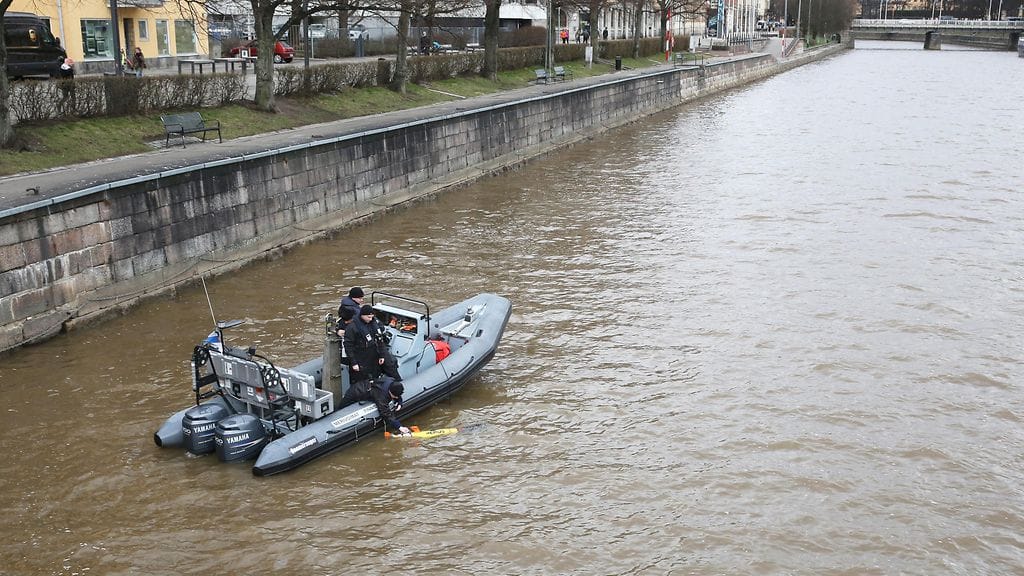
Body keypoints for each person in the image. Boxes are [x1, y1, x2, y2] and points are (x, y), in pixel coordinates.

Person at [344, 304, 401, 384]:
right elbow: (348, 346)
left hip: (373, 354)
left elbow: (379, 340)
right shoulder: (352, 328)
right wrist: (354, 362)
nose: (370, 319)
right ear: (362, 315)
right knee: (361, 378)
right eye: (368, 317)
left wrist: (381, 355)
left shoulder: (374, 324)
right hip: (361, 355)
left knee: (381, 370)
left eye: (371, 317)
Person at [338, 376, 411, 435]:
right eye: (394, 397)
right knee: (340, 409)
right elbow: (385, 413)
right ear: (390, 392)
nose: (395, 398)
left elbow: (397, 395)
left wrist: (399, 401)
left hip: (366, 386)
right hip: (356, 392)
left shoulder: (391, 380)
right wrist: (399, 426)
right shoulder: (381, 396)